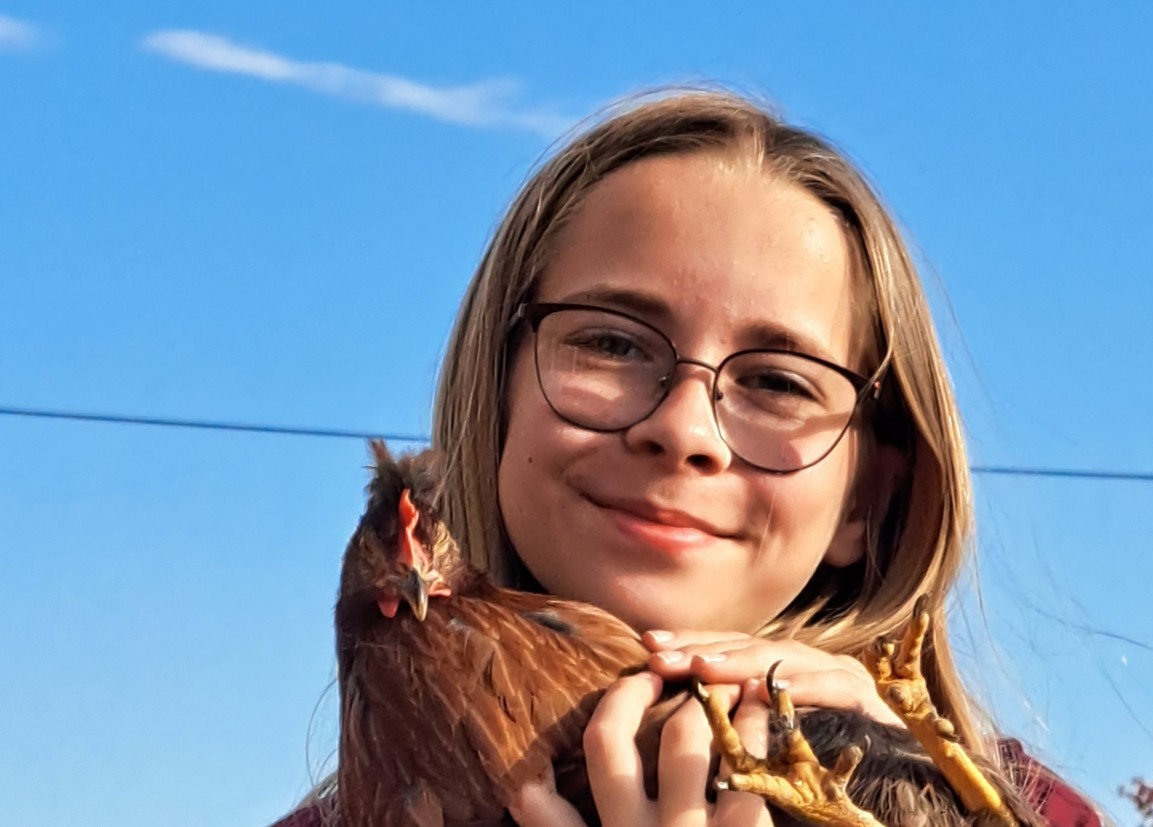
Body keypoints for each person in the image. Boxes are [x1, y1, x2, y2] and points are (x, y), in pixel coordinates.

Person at [274, 88, 1100, 827]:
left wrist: (909, 796)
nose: (684, 428)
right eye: (609, 341)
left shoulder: (1025, 816)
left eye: (779, 381)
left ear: (866, 499)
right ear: (497, 402)